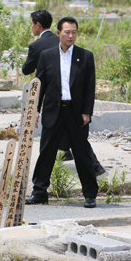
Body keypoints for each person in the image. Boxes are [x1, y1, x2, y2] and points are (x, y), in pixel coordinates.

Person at [26, 17, 99, 209]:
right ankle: (39, 192)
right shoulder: (47, 55)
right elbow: (39, 85)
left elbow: (89, 88)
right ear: (58, 33)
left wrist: (87, 112)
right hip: (53, 111)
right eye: (67, 32)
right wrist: (35, 111)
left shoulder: (85, 56)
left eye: (74, 32)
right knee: (46, 153)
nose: (71, 35)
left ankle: (90, 194)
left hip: (76, 113)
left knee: (82, 153)